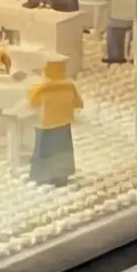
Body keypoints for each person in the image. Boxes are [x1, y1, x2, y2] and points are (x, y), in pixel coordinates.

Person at [27, 57, 82, 185]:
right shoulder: (69, 86)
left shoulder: (42, 88)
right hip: (64, 124)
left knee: (45, 151)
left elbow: (33, 102)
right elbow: (78, 103)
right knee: (63, 151)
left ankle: (42, 175)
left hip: (47, 125)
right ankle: (61, 175)